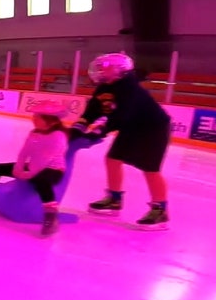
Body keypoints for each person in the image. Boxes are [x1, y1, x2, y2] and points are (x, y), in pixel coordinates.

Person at [72, 53, 171, 230]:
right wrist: (79, 127)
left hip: (152, 129)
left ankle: (160, 210)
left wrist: (99, 132)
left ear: (119, 70)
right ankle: (114, 200)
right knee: (112, 160)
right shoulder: (104, 87)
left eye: (105, 67)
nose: (101, 70)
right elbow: (92, 111)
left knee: (150, 169)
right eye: (100, 67)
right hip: (130, 127)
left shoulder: (130, 89)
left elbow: (120, 116)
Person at [0, 102, 69, 236]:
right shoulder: (35, 133)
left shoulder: (58, 135)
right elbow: (25, 152)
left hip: (53, 169)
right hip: (34, 165)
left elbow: (46, 158)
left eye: (37, 118)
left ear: (49, 121)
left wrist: (29, 173)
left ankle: (50, 215)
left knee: (42, 182)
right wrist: (18, 168)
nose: (33, 120)